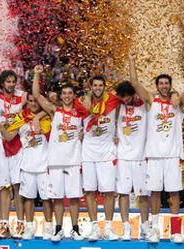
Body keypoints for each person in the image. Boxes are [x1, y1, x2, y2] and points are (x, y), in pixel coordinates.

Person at [131, 54, 184, 243]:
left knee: (174, 193)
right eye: (161, 84)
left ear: (170, 85)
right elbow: (135, 84)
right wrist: (132, 61)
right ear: (157, 86)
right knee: (155, 193)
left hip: (172, 155)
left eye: (167, 83)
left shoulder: (177, 102)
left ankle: (175, 231)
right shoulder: (151, 101)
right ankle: (155, 229)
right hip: (154, 155)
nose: (164, 86)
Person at [32, 65, 87, 241]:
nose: (67, 96)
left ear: (74, 96)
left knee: (73, 198)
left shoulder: (80, 113)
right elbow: (37, 95)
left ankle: (75, 228)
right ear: (61, 96)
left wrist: (83, 135)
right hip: (55, 161)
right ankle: (58, 228)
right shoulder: (54, 111)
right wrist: (36, 74)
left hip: (73, 161)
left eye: (70, 93)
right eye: (64, 93)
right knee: (57, 198)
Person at [0, 94, 53, 240]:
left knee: (47, 199)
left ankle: (48, 228)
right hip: (27, 165)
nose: (33, 103)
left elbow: (55, 107)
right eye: (30, 101)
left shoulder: (47, 116)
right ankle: (29, 228)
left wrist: (38, 116)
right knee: (29, 198)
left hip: (44, 164)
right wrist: (2, 129)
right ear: (27, 102)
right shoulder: (20, 118)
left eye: (36, 101)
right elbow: (9, 137)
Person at [114, 52, 150, 241]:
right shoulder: (117, 107)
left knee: (143, 195)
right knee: (123, 193)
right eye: (122, 98)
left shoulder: (144, 105)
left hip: (141, 156)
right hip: (123, 156)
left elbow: (135, 83)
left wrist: (131, 62)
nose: (125, 100)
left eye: (128, 97)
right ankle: (126, 227)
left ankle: (145, 226)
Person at [81, 75, 120, 241]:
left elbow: (132, 94)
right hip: (88, 152)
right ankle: (95, 228)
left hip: (106, 152)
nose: (97, 88)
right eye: (94, 85)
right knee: (89, 192)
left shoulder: (113, 100)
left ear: (105, 86)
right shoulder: (83, 101)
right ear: (91, 87)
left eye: (100, 85)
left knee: (108, 192)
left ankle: (109, 228)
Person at [0, 70, 27, 239]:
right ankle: (4, 225)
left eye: (13, 81)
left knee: (17, 186)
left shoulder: (22, 96)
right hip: (0, 143)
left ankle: (20, 224)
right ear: (2, 83)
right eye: (8, 82)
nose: (11, 84)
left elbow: (38, 103)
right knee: (3, 186)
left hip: (16, 143)